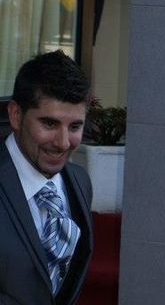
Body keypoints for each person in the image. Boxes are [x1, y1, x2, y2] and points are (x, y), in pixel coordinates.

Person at [0, 50, 93, 305]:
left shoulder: (80, 182)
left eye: (75, 127)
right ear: (16, 116)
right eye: (49, 124)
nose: (63, 143)